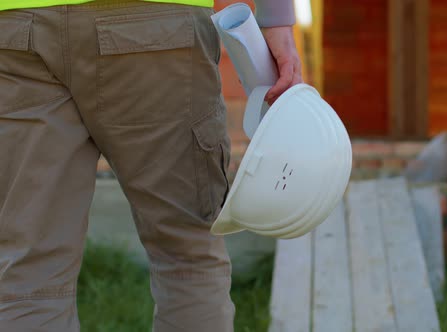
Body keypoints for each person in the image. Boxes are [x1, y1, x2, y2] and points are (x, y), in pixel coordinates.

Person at [0, 0, 302, 330]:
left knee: (29, 271)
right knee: (187, 256)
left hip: (17, 27)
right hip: (157, 26)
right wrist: (275, 18)